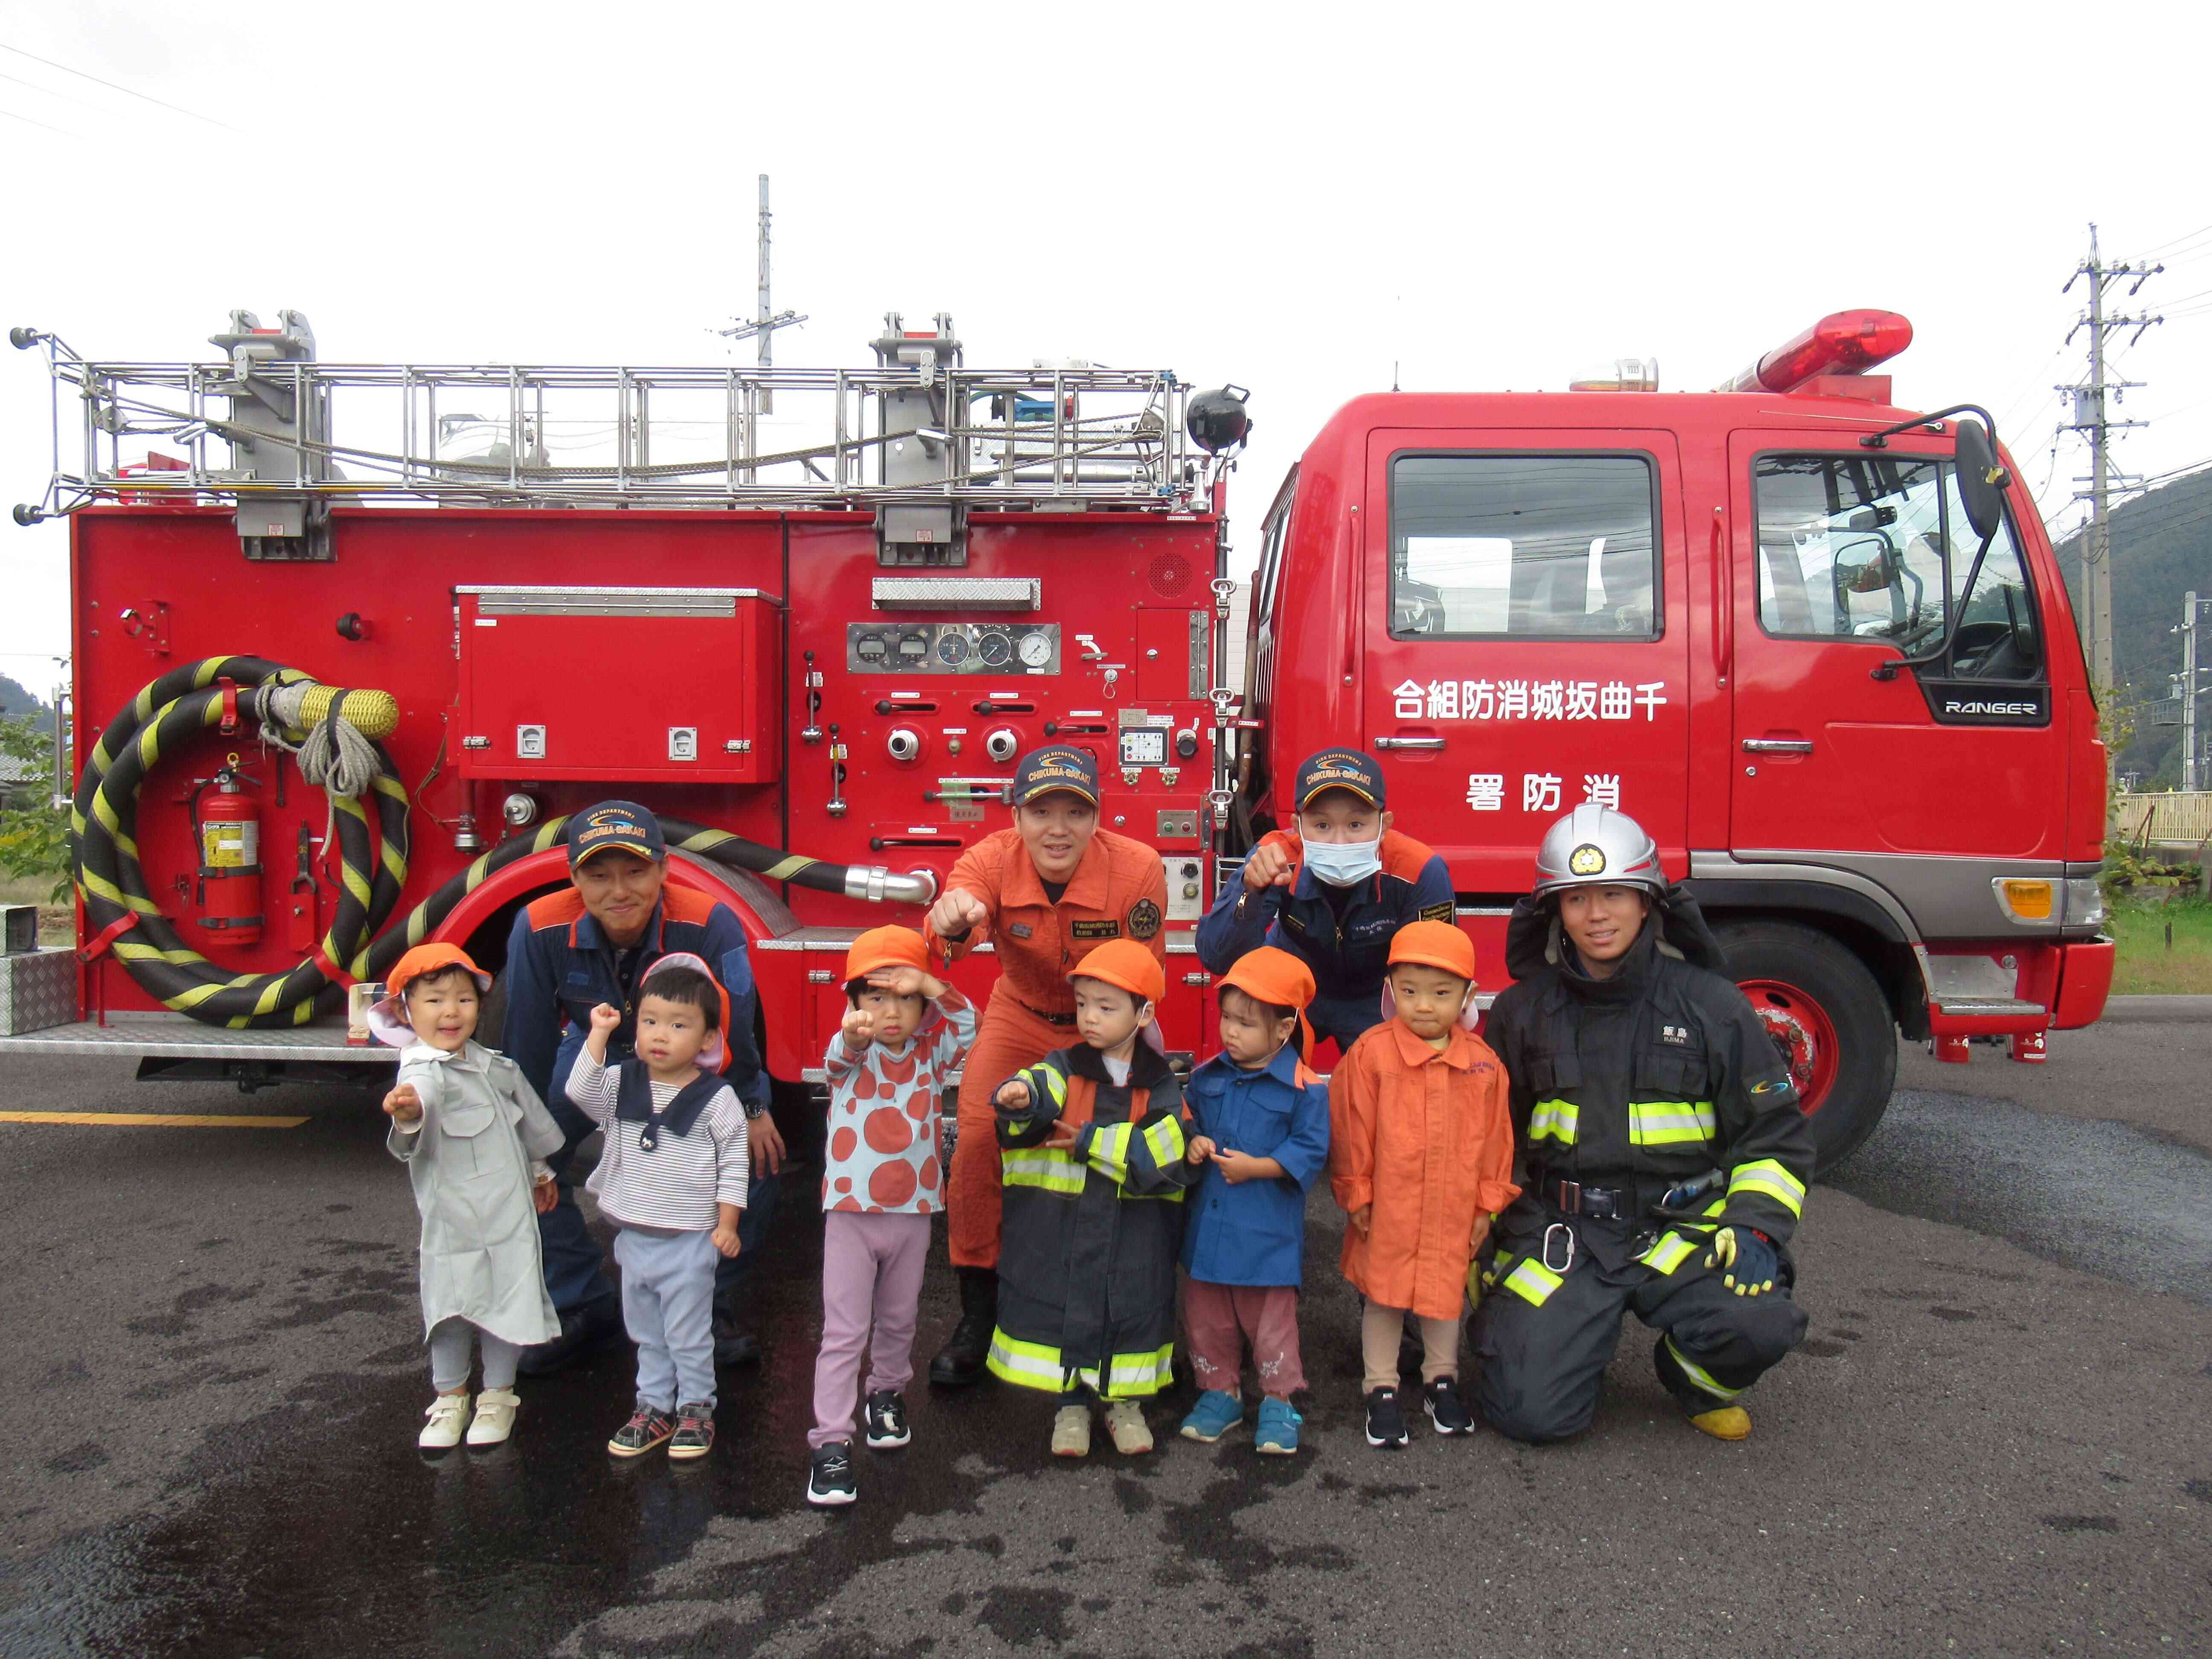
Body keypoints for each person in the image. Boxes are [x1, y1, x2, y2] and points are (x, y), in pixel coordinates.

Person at [1473, 805, 1815, 1444]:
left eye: (1613, 895)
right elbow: (1490, 1139)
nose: (1596, 915)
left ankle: (1693, 1375)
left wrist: (1756, 1228)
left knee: (1758, 1324)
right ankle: (1563, 1343)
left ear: (1648, 900)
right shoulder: (1523, 1013)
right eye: (1575, 899)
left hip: (1683, 1229)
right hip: (1564, 1232)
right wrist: (1483, 1232)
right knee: (1529, 1413)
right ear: (1554, 911)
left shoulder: (1712, 1006)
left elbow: (1774, 1136)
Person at [501, 801, 782, 1375]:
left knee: (755, 1159)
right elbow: (525, 1046)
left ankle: (706, 1305)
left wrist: (752, 1107)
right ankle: (582, 1301)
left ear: (663, 870)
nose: (618, 890)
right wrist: (527, 1143)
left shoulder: (711, 921)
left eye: (634, 871)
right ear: (575, 879)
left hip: (690, 1063)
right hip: (596, 1055)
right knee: (516, 1156)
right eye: (598, 875)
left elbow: (739, 1025)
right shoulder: (537, 926)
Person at [921, 746, 1169, 1387]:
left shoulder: (1138, 869)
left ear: (1097, 818)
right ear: (1017, 814)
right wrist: (950, 921)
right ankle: (979, 1316)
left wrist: (1111, 1054)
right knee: (977, 1139)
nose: (1057, 828)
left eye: (1075, 811)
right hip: (1022, 1015)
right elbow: (951, 930)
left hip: (1112, 1020)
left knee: (1146, 1142)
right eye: (1041, 811)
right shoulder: (987, 861)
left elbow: (1143, 977)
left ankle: (1151, 1307)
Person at [988, 940, 1197, 1458]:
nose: (1090, 1018)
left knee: (1129, 1311)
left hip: (1133, 1239)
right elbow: (1042, 1090)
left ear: (1144, 1013)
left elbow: (1164, 1150)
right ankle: (1072, 1407)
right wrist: (1021, 1096)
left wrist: (1088, 1141)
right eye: (1083, 1004)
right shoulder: (1064, 1065)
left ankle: (1124, 1405)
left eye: (1106, 1007)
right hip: (1066, 1228)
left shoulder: (1162, 1085)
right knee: (1068, 1309)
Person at [1329, 920, 1517, 1449]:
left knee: (1444, 1297)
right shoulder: (1370, 1054)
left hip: (1452, 1207)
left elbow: (1497, 1142)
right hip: (1390, 1206)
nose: (1424, 1006)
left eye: (1441, 994)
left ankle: (1442, 1380)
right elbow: (1351, 1131)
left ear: (1468, 996)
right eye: (1409, 992)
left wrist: (1488, 1204)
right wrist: (1356, 1193)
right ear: (1390, 991)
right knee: (1383, 1298)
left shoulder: (1483, 1065)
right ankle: (1381, 1387)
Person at [806, 928, 975, 1508]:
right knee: (844, 1333)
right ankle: (830, 1443)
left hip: (915, 1211)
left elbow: (967, 1026)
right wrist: (852, 1035)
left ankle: (886, 1396)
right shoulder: (849, 1055)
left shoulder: (932, 1054)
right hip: (852, 1214)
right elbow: (839, 1054)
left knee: (899, 1321)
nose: (890, 1011)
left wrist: (932, 981)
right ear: (853, 1005)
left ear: (924, 1006)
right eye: (875, 997)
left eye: (905, 997)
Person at [376, 943, 565, 1450]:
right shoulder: (421, 1072)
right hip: (453, 1220)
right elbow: (420, 1110)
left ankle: (499, 1395)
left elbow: (523, 1122)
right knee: (451, 1306)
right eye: (435, 1000)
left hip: (508, 1214)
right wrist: (407, 1112)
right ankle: (450, 1397)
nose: (451, 1012)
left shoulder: (494, 1066)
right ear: (404, 1009)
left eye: (463, 999)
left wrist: (541, 1171)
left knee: (509, 1300)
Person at [565, 954, 749, 1461]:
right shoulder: (623, 1080)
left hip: (690, 1240)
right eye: (649, 1022)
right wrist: (598, 1036)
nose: (660, 1035)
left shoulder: (718, 1100)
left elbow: (735, 1164)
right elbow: (578, 1090)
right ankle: (653, 1407)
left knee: (688, 1333)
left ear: (709, 1039)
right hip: (634, 1238)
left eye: (678, 1025)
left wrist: (728, 1222)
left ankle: (696, 1407)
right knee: (646, 1333)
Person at [1196, 748, 1455, 1056]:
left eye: (1356, 825)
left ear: (1384, 826)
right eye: (1322, 826)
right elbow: (1216, 957)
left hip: (1377, 994)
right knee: (1253, 1031)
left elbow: (1439, 976)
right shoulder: (1276, 856)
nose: (1339, 841)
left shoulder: (1419, 870)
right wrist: (1249, 891)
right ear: (1298, 825)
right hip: (1295, 984)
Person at [1176, 946, 1330, 1456]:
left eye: (1245, 1023)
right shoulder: (1206, 1078)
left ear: (1284, 1030)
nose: (1229, 1032)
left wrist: (1257, 1168)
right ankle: (1218, 1393)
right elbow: (1187, 1121)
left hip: (1265, 1238)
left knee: (1272, 1326)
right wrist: (1193, 1140)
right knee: (1207, 1320)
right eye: (1226, 1018)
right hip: (1208, 1234)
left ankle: (1280, 1399)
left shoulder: (1306, 1089)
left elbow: (1310, 1149)